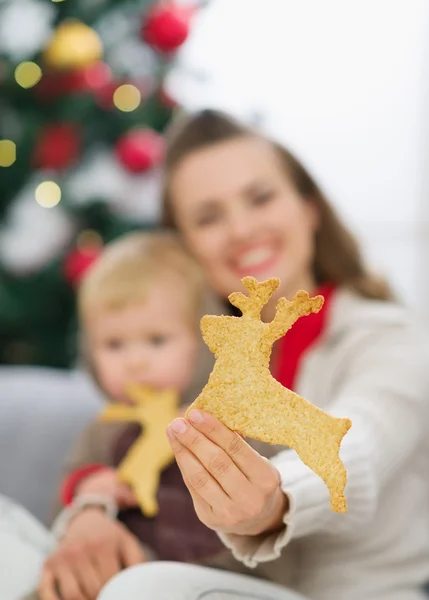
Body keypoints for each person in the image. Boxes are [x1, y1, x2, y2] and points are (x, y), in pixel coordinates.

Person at [98, 109, 429, 600]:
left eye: (261, 198)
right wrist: (91, 512)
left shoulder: (392, 339)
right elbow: (115, 447)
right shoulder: (188, 360)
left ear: (308, 208)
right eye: (208, 217)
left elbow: (362, 446)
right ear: (185, 246)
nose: (240, 229)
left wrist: (276, 498)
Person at [25, 230, 229, 600]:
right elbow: (65, 496)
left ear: (201, 343)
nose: (135, 361)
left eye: (156, 340)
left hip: (216, 578)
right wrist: (89, 491)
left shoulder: (227, 416)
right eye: (114, 345)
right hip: (120, 568)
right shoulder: (105, 429)